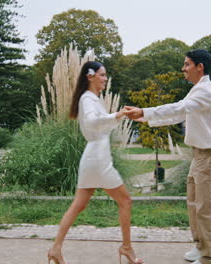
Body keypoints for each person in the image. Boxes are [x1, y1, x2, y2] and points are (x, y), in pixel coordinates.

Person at [125, 49, 211, 264]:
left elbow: (179, 107)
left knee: (207, 209)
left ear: (200, 67)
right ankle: (201, 247)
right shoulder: (197, 90)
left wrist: (144, 111)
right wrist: (145, 119)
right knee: (194, 204)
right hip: (200, 157)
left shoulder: (207, 91)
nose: (183, 69)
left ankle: (210, 256)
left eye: (187, 64)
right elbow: (181, 114)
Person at [47, 61, 143, 264]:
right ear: (90, 77)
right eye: (102, 75)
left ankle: (56, 249)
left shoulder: (91, 99)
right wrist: (116, 115)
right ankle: (126, 248)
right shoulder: (88, 99)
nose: (105, 78)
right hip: (99, 157)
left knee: (77, 205)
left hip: (91, 156)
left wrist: (117, 116)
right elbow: (91, 123)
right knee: (125, 201)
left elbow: (100, 125)